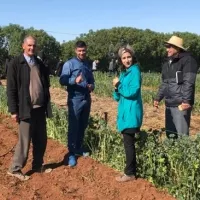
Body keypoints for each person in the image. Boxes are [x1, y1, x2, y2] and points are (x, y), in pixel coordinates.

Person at [6, 35, 52, 181]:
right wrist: (14, 110)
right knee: (25, 141)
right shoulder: (15, 64)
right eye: (29, 45)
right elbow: (11, 89)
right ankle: (15, 168)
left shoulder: (38, 63)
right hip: (25, 109)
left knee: (41, 139)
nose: (32, 48)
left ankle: (38, 165)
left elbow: (45, 84)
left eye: (34, 46)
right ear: (23, 46)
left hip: (39, 108)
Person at [154, 35, 199, 138]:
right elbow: (165, 83)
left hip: (181, 104)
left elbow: (189, 82)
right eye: (167, 46)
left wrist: (186, 101)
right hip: (169, 104)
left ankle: (183, 154)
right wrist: (158, 98)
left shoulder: (188, 60)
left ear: (177, 48)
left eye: (170, 46)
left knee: (182, 137)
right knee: (170, 135)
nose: (167, 49)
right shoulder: (167, 63)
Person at [60, 40, 95, 167]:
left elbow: (92, 80)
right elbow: (62, 80)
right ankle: (71, 154)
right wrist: (75, 80)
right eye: (79, 51)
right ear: (76, 51)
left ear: (86, 50)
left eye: (84, 50)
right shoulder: (69, 64)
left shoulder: (87, 64)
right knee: (74, 126)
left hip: (86, 98)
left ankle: (79, 148)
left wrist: (92, 86)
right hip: (75, 98)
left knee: (83, 124)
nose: (82, 53)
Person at [112, 45, 143, 182]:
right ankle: (130, 171)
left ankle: (130, 173)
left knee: (129, 143)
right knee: (128, 143)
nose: (126, 60)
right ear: (120, 60)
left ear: (133, 57)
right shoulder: (124, 73)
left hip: (131, 113)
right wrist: (116, 87)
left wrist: (119, 85)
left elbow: (132, 92)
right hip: (125, 112)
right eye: (124, 58)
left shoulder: (135, 71)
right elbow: (117, 97)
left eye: (129, 57)